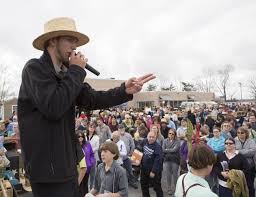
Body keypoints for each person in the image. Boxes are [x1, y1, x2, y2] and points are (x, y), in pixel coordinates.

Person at [17, 17, 155, 197]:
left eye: (76, 42)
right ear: (52, 40)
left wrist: (123, 91)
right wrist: (76, 71)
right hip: (47, 171)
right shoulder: (35, 69)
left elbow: (93, 99)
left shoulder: (66, 74)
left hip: (66, 167)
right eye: (70, 40)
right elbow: (53, 106)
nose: (75, 47)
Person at [139, 131, 163, 197]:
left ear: (156, 138)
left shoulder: (157, 147)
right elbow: (138, 148)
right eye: (150, 137)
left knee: (157, 187)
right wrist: (136, 159)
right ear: (147, 137)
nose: (151, 138)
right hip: (144, 169)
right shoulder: (144, 141)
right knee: (144, 185)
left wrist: (153, 171)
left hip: (153, 170)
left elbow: (158, 160)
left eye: (153, 137)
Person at [162, 128, 180, 196]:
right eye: (170, 133)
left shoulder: (177, 141)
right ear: (168, 134)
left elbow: (175, 150)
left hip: (175, 160)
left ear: (175, 135)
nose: (171, 135)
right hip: (167, 159)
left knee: (175, 175)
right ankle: (169, 188)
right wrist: (170, 150)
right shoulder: (165, 140)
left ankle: (177, 189)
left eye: (172, 134)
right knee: (168, 175)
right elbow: (163, 149)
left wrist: (167, 150)